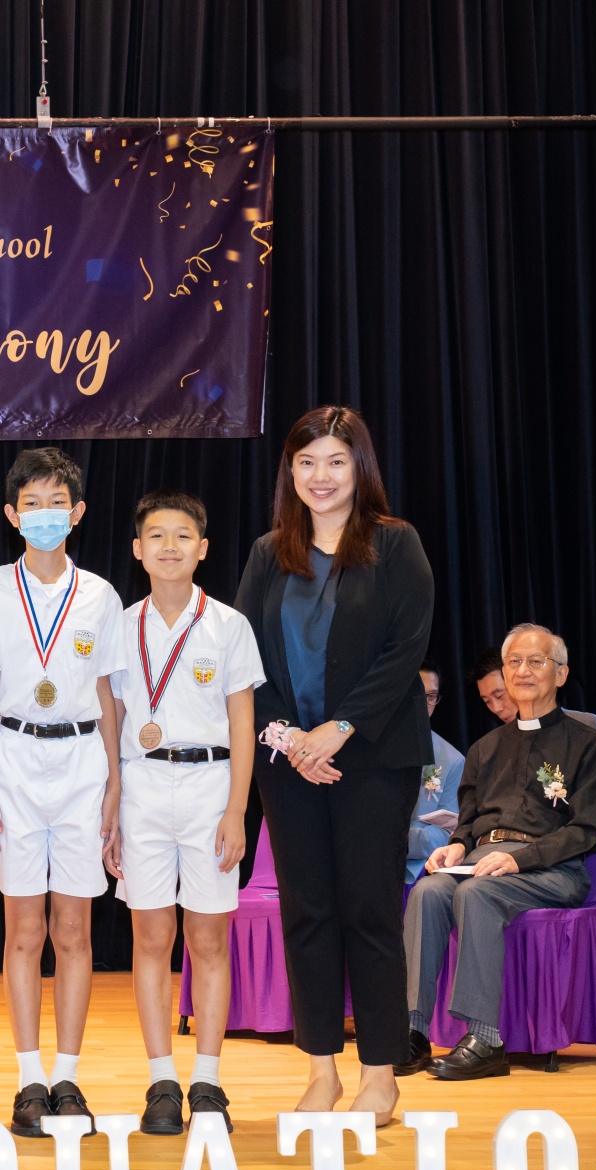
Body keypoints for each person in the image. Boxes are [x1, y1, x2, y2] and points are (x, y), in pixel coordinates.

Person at [234, 405, 433, 1125]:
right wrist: (292, 740)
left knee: (370, 912)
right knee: (308, 913)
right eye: (307, 462)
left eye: (336, 462)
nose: (321, 476)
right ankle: (321, 1071)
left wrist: (339, 730)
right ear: (290, 471)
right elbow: (244, 656)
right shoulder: (268, 552)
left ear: (360, 468)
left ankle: (380, 1074)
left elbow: (406, 647)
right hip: (288, 762)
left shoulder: (395, 543)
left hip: (373, 758)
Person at [0, 447, 126, 1139]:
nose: (44, 515)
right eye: (31, 504)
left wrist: (116, 781)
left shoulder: (101, 595)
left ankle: (67, 1075)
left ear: (78, 512)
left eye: (56, 503)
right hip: (12, 758)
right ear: (12, 514)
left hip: (83, 761)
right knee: (24, 928)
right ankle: (28, 1076)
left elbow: (109, 694)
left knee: (74, 928)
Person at [110, 491, 262, 1136]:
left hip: (209, 787)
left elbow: (243, 724)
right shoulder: (121, 626)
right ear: (137, 549)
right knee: (150, 937)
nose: (168, 546)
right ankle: (161, 1082)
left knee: (208, 940)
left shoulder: (229, 625)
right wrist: (113, 802)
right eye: (156, 535)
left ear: (202, 548)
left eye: (181, 536)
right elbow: (112, 720)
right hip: (142, 787)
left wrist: (237, 810)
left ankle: (207, 1079)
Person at [401, 624, 596, 1079]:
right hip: (484, 861)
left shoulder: (590, 744)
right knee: (427, 892)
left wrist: (520, 858)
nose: (522, 671)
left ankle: (486, 1039)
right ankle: (412, 1031)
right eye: (514, 662)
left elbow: (588, 829)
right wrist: (456, 847)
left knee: (476, 893)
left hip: (553, 869)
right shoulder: (485, 748)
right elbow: (469, 819)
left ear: (561, 674)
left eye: (536, 662)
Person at [475, 644, 596, 804]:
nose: (496, 708)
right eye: (487, 701)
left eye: (499, 696)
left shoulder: (589, 728)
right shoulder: (497, 745)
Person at [408, 663, 466, 883]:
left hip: (417, 870)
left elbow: (450, 833)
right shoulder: (370, 749)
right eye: (416, 694)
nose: (423, 704)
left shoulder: (451, 759)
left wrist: (400, 840)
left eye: (431, 696)